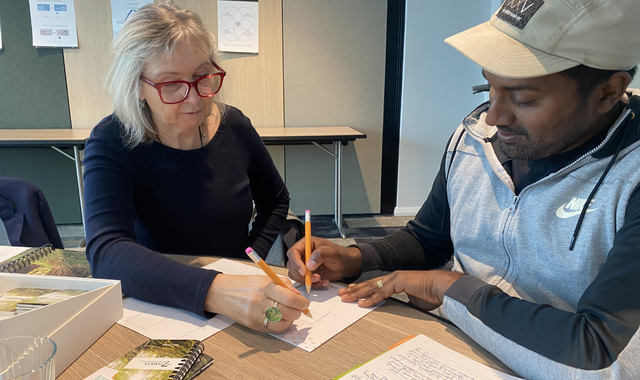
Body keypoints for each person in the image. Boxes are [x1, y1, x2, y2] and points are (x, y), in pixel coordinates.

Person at [287, 0, 640, 378]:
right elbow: (428, 240)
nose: (494, 117)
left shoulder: (629, 179)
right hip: (445, 348)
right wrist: (356, 258)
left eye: (524, 99)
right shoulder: (474, 138)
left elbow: (603, 358)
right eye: (488, 88)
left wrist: (448, 288)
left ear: (607, 92)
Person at [83, 3, 309, 333]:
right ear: (137, 86)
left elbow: (275, 200)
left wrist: (250, 261)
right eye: (170, 84)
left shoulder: (234, 125)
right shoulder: (112, 140)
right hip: (158, 301)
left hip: (237, 295)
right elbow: (106, 253)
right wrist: (217, 290)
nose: (195, 99)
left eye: (202, 76)